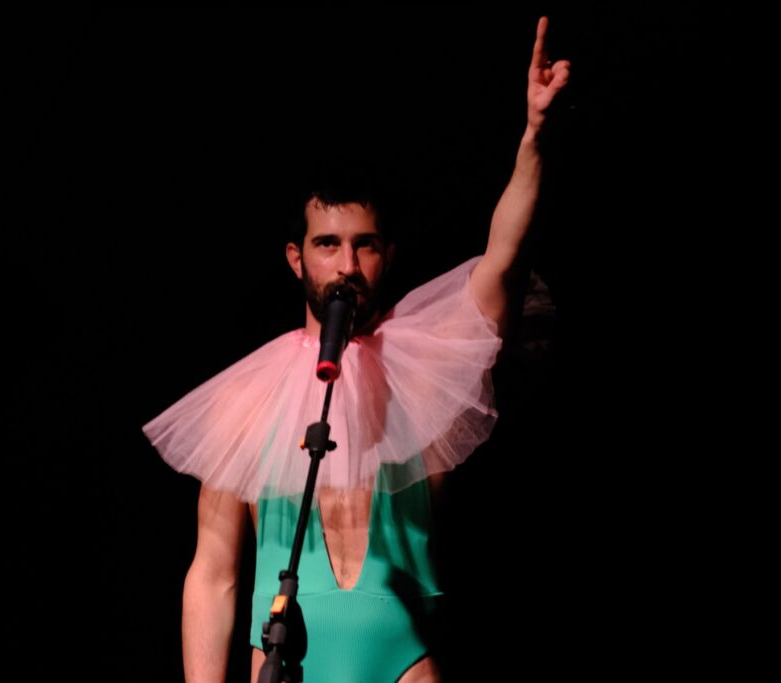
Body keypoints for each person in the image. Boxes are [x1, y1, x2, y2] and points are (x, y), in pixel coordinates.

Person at [142, 16, 570, 683]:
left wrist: (534, 138)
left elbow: (504, 260)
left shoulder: (423, 369)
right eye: (328, 244)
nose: (347, 265)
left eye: (363, 245)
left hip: (405, 662)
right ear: (296, 259)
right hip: (286, 662)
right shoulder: (245, 398)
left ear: (386, 255)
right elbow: (214, 571)